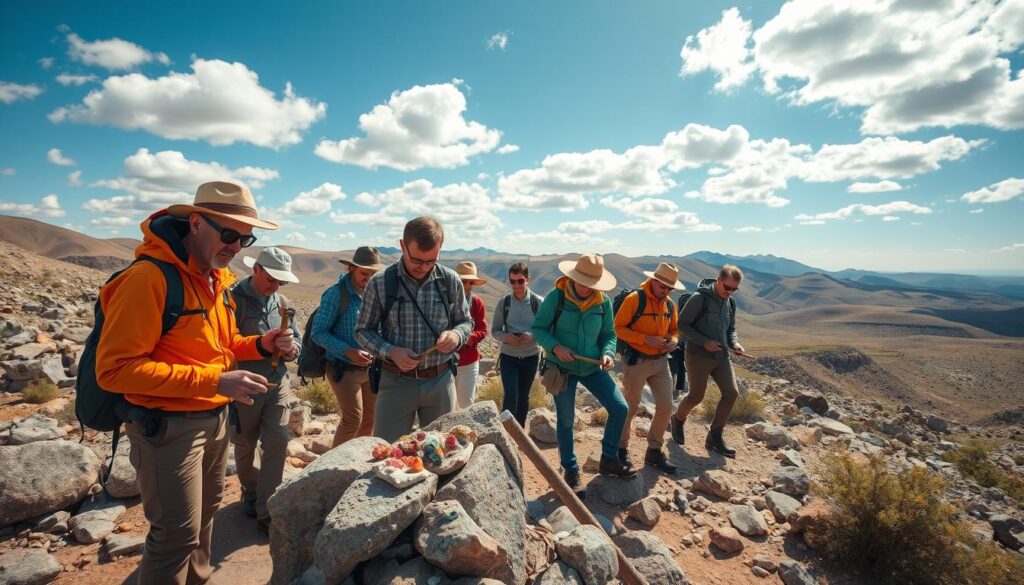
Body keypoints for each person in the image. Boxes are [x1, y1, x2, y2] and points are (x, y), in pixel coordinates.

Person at [95, 181, 294, 585]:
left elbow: (218, 346)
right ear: (197, 223)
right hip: (169, 428)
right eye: (228, 234)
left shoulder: (214, 279)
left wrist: (259, 342)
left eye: (245, 238)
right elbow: (115, 370)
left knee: (205, 520)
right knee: (175, 536)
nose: (236, 246)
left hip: (214, 418)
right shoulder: (148, 279)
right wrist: (215, 381)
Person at [355, 217, 473, 442]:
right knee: (387, 453)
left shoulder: (451, 281)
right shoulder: (380, 283)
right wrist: (391, 351)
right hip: (395, 383)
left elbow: (466, 322)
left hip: (440, 381)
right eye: (417, 260)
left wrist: (456, 335)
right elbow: (362, 331)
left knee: (442, 453)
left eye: (431, 261)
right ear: (402, 246)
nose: (424, 267)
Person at [531, 253, 634, 497]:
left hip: (592, 367)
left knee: (620, 408)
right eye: (582, 281)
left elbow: (609, 334)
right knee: (566, 421)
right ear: (573, 277)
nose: (586, 288)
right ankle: (571, 470)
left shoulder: (603, 302)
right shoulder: (557, 297)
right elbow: (538, 328)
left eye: (591, 284)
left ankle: (609, 458)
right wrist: (555, 346)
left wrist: (608, 353)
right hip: (562, 368)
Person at [229, 246, 301, 532]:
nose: (276, 285)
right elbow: (223, 344)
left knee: (278, 440)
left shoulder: (282, 301)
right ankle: (249, 490)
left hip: (277, 382)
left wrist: (293, 349)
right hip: (244, 383)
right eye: (271, 278)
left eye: (281, 281)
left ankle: (267, 508)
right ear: (255, 269)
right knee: (245, 443)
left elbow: (297, 342)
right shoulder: (232, 300)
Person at [670, 264, 748, 458]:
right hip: (697, 356)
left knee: (731, 393)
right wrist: (704, 342)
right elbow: (682, 325)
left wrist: (735, 344)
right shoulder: (699, 298)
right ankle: (678, 420)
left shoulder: (730, 303)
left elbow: (730, 328)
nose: (729, 292)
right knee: (696, 397)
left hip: (721, 356)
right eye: (727, 287)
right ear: (718, 280)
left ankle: (715, 436)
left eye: (734, 289)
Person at [310, 246, 385, 447]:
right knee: (353, 419)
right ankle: (331, 470)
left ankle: (357, 461)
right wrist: (348, 351)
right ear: (352, 268)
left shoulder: (374, 294)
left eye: (372, 274)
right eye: (364, 273)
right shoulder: (335, 295)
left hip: (370, 369)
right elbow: (318, 333)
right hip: (343, 367)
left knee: (371, 417)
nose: (368, 278)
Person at [614, 262, 684, 474]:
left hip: (661, 362)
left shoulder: (670, 304)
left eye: (669, 288)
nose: (666, 291)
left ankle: (654, 451)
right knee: (630, 407)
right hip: (636, 362)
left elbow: (675, 329)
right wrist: (645, 339)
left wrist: (673, 340)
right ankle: (620, 450)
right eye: (663, 286)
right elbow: (618, 328)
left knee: (665, 406)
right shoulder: (634, 300)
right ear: (653, 281)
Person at [491, 262, 543, 427]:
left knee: (523, 398)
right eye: (512, 281)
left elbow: (545, 330)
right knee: (510, 396)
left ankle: (519, 434)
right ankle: (505, 433)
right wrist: (507, 337)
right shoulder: (504, 303)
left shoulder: (538, 302)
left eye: (520, 281)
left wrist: (532, 336)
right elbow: (495, 331)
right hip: (509, 357)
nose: (516, 285)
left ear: (528, 280)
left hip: (531, 357)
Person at [454, 261, 488, 409]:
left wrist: (471, 337)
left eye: (471, 282)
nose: (467, 285)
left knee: (466, 403)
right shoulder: (445, 301)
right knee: (447, 404)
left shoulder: (477, 302)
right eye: (464, 281)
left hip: (468, 361)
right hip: (445, 362)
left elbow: (482, 329)